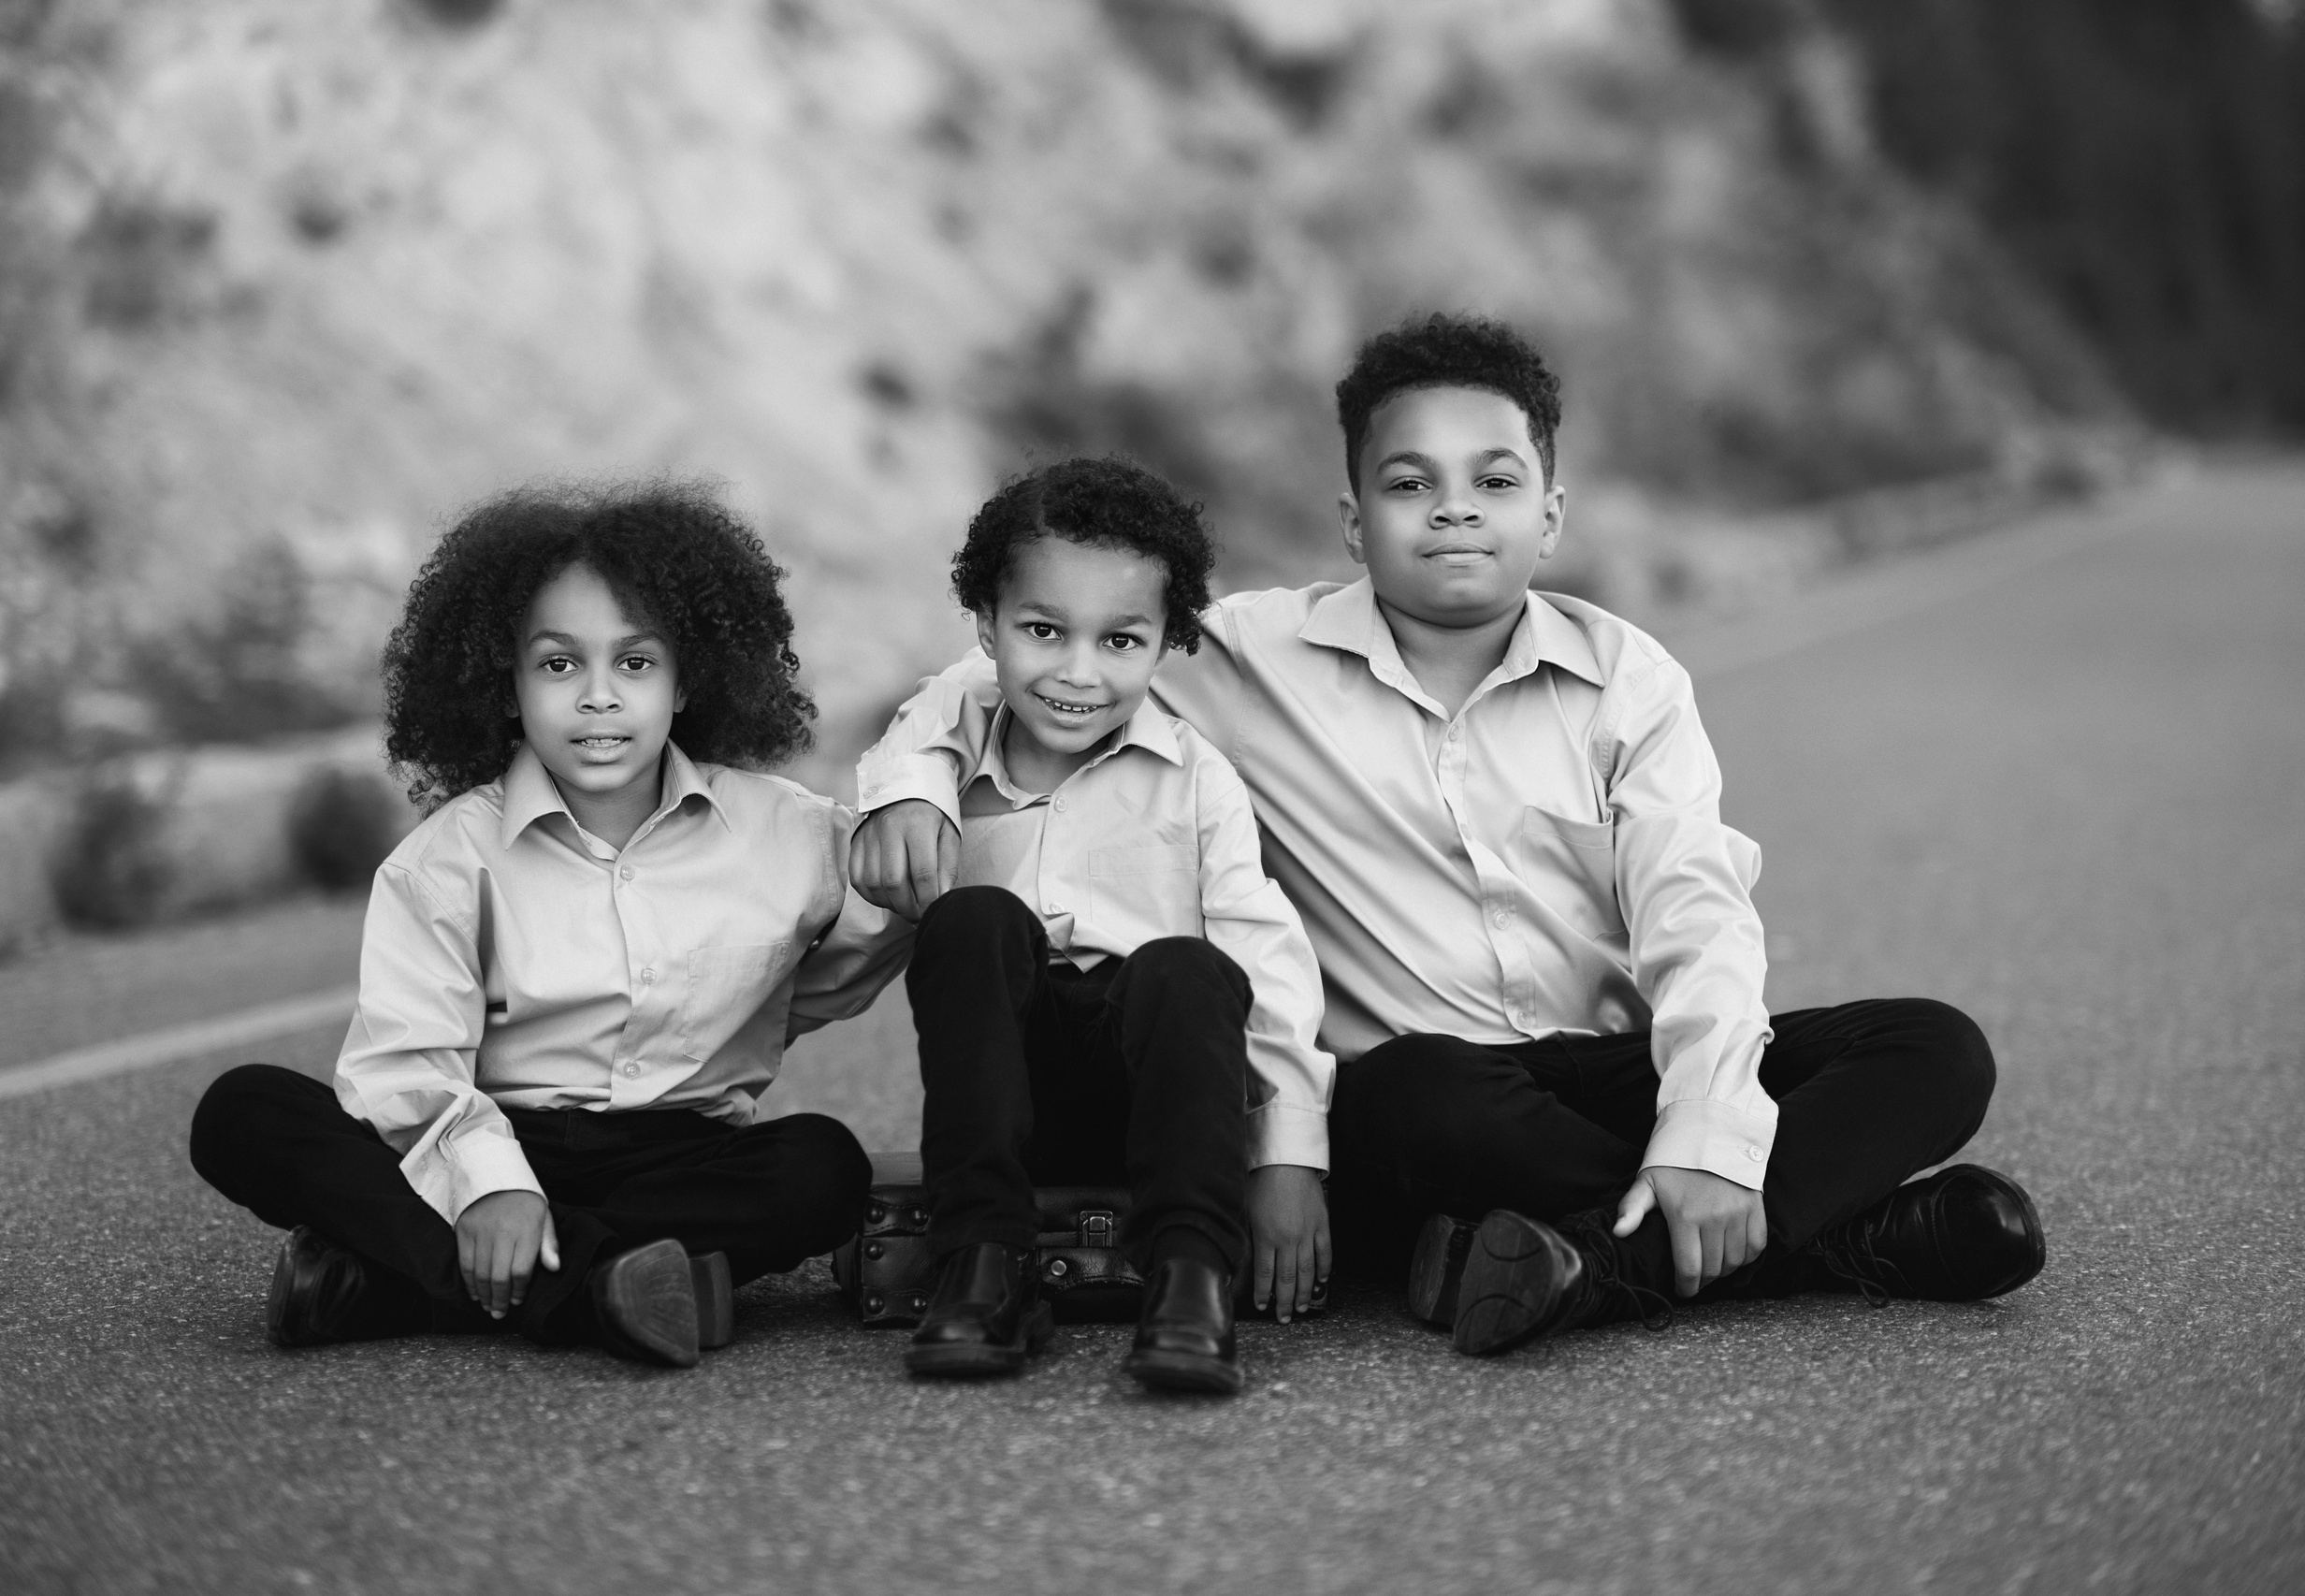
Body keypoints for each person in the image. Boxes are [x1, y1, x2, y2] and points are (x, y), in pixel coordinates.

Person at [852, 313, 2044, 1359]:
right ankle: (1840, 1240)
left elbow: (1695, 908)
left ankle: (1599, 1261)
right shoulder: (1247, 656)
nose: (1456, 508)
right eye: (1410, 483)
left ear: (1551, 510)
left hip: (1599, 1076)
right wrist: (912, 781)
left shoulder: (1628, 676)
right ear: (1352, 517)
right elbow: (1022, 664)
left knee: (1932, 1048)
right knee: (1415, 1090)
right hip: (1431, 1104)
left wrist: (1711, 1132)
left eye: (1496, 479)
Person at [191, 483, 908, 1368]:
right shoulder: (446, 860)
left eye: (636, 664)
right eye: (560, 664)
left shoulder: (788, 832)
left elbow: (884, 911)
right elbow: (408, 1065)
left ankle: (403, 1283)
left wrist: (940, 804)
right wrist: (492, 1187)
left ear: (687, 681)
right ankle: (602, 1288)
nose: (598, 698)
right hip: (496, 1131)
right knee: (244, 1111)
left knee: (823, 1168)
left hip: (679, 1160)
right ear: (509, 681)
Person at [879, 457, 1332, 1395]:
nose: (1079, 672)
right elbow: (848, 933)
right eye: (1043, 631)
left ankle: (1191, 1280)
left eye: (1121, 640)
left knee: (1187, 967)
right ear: (986, 629)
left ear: (1166, 641)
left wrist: (1288, 1151)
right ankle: (984, 1269)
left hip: (1160, 1106)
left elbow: (1266, 957)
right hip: (1006, 1114)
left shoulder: (1196, 775)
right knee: (971, 920)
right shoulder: (939, 770)